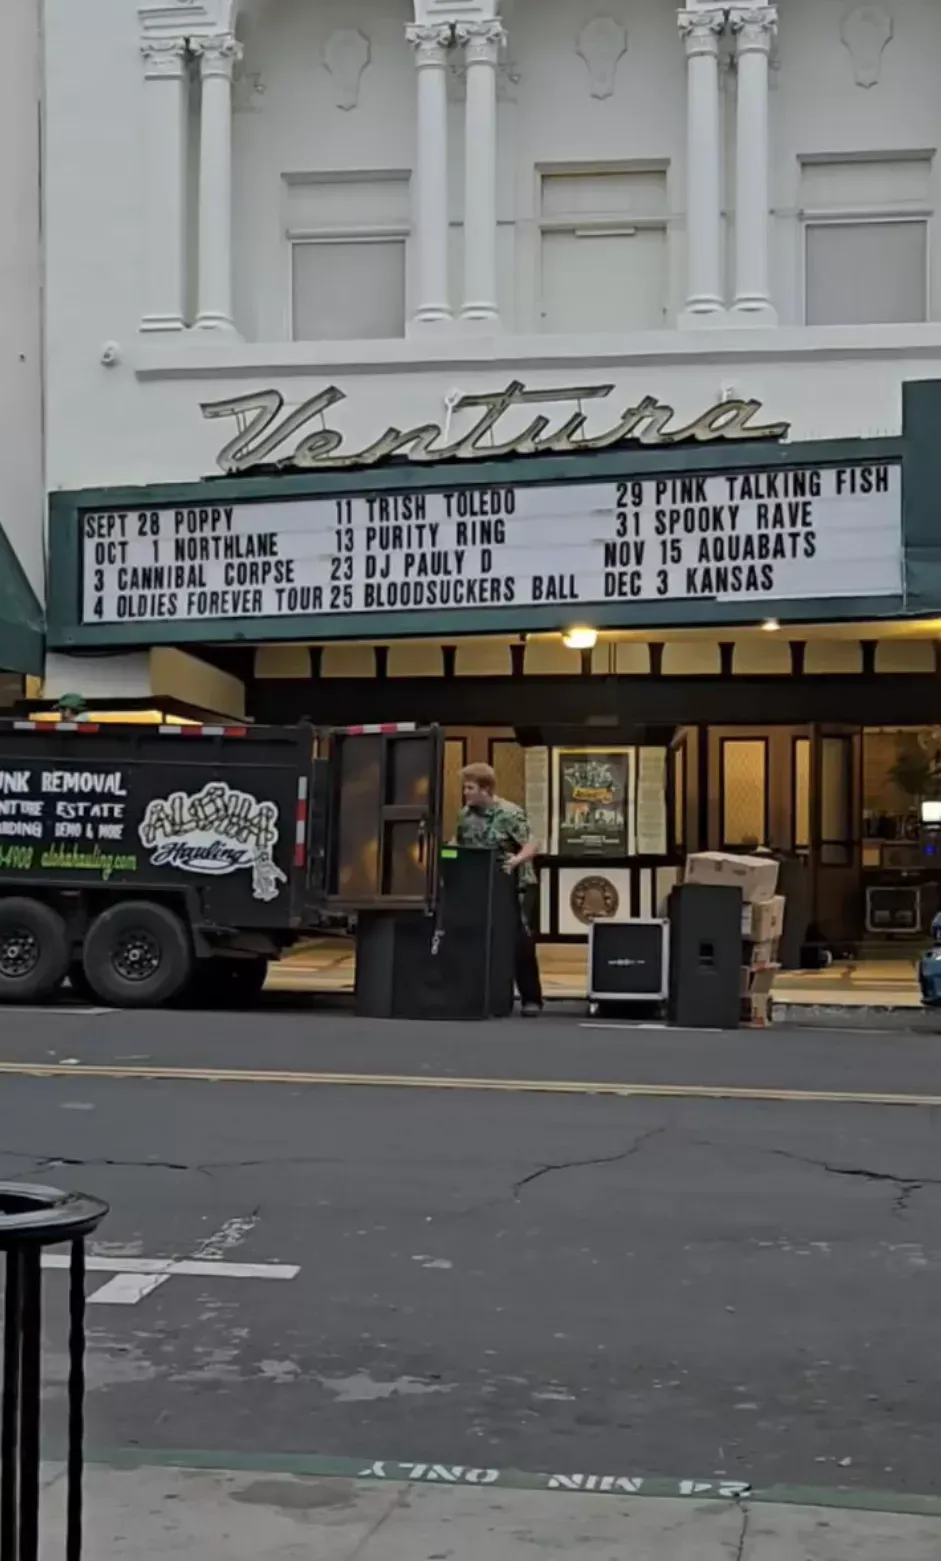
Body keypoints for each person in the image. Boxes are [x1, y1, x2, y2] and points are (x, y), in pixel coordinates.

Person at [455, 762, 543, 1016]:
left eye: (470, 788)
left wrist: (516, 860)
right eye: (465, 787)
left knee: (520, 942)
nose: (466, 793)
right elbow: (459, 844)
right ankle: (482, 995)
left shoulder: (509, 813)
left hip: (516, 886)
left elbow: (532, 844)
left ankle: (531, 999)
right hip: (480, 884)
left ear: (486, 789)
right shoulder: (465, 815)